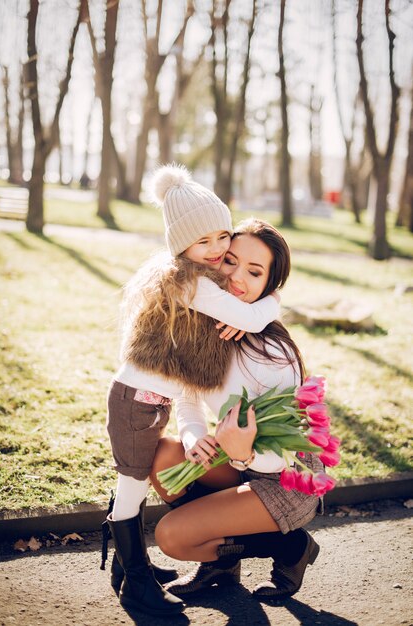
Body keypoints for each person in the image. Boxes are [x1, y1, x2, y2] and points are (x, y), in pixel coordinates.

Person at [104, 166, 281, 617]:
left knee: (136, 482)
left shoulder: (199, 276)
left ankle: (128, 567)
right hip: (133, 404)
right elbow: (252, 317)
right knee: (129, 488)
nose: (218, 249)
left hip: (149, 405)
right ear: (181, 246)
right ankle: (137, 586)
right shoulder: (192, 280)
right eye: (203, 242)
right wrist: (275, 298)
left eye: (222, 236)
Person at [150, 218, 323, 602]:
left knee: (172, 536)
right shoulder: (203, 324)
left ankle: (291, 548)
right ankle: (223, 565)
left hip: (285, 478)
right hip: (239, 457)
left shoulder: (272, 354)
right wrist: (195, 439)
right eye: (230, 261)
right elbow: (187, 397)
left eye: (254, 271)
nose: (236, 278)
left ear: (268, 286)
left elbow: (281, 459)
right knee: (163, 455)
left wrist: (242, 452)